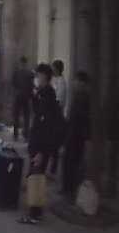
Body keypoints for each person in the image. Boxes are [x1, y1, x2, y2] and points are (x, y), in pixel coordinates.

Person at [20, 63, 64, 224]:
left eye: (38, 75)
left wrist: (40, 151)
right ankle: (34, 211)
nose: (37, 78)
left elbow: (45, 126)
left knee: (36, 177)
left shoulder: (47, 96)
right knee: (35, 176)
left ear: (44, 76)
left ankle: (34, 214)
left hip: (41, 145)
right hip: (38, 143)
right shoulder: (42, 93)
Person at [63, 71, 91, 200]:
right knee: (67, 161)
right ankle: (67, 188)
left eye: (76, 81)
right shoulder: (77, 96)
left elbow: (83, 119)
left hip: (77, 135)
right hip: (72, 133)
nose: (74, 83)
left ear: (82, 83)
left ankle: (71, 190)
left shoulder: (85, 98)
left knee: (73, 163)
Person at [48, 60, 68, 175]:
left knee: (54, 144)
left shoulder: (61, 83)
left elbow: (59, 101)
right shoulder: (54, 80)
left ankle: (53, 170)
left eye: (53, 68)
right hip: (52, 114)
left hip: (57, 115)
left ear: (57, 69)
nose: (52, 70)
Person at [11, 56, 33, 141]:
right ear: (26, 63)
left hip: (18, 96)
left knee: (16, 115)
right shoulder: (30, 73)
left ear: (20, 63)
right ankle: (26, 135)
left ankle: (15, 134)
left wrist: (16, 92)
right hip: (26, 97)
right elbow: (31, 86)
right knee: (26, 116)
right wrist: (30, 96)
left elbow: (13, 84)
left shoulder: (16, 72)